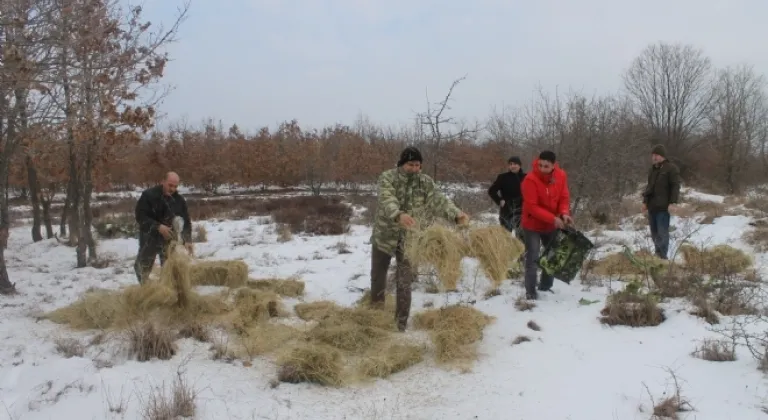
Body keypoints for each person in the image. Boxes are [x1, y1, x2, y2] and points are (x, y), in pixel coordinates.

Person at [370, 146, 470, 331]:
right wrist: (398, 215)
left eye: (418, 165)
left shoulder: (425, 182)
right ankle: (375, 317)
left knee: (404, 281)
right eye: (411, 165)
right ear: (401, 164)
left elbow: (439, 201)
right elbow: (386, 199)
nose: (415, 169)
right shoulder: (388, 177)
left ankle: (400, 324)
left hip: (410, 240)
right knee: (378, 278)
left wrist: (456, 215)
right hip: (384, 236)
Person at [520, 151, 572, 300]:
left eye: (546, 166)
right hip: (532, 224)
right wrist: (553, 218)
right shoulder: (530, 179)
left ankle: (545, 286)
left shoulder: (561, 176)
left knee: (552, 256)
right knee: (533, 257)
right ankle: (530, 292)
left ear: (553, 165)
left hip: (552, 224)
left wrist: (564, 213)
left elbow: (564, 197)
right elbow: (532, 207)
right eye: (540, 165)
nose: (542, 168)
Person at [134, 171, 193, 284]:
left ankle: (166, 291)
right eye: (170, 185)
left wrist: (187, 239)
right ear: (163, 181)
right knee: (141, 266)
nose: (172, 189)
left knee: (169, 269)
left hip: (168, 240)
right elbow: (140, 217)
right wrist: (158, 226)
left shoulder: (179, 200)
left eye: (175, 186)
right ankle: (146, 290)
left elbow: (186, 221)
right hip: (149, 236)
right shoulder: (148, 195)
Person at [642, 144, 681, 260]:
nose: (654, 158)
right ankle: (657, 254)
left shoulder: (671, 168)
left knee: (662, 232)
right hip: (652, 207)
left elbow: (675, 186)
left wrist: (673, 202)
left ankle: (662, 257)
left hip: (663, 208)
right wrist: (645, 202)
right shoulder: (652, 170)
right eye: (653, 155)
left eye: (656, 155)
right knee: (654, 234)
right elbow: (649, 188)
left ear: (662, 156)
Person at [488, 156, 526, 239]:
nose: (512, 166)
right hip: (506, 211)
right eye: (510, 164)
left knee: (522, 238)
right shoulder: (503, 177)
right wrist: (499, 200)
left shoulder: (526, 177)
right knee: (505, 238)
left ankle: (522, 252)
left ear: (519, 165)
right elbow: (491, 191)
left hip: (522, 211)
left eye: (515, 164)